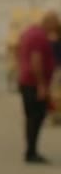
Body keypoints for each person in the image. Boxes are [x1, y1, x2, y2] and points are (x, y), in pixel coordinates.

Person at [16, 11, 59, 164]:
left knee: (31, 118)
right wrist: (41, 85)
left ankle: (31, 150)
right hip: (34, 83)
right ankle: (31, 152)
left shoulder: (29, 32)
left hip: (26, 80)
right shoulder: (39, 37)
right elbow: (36, 60)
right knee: (36, 117)